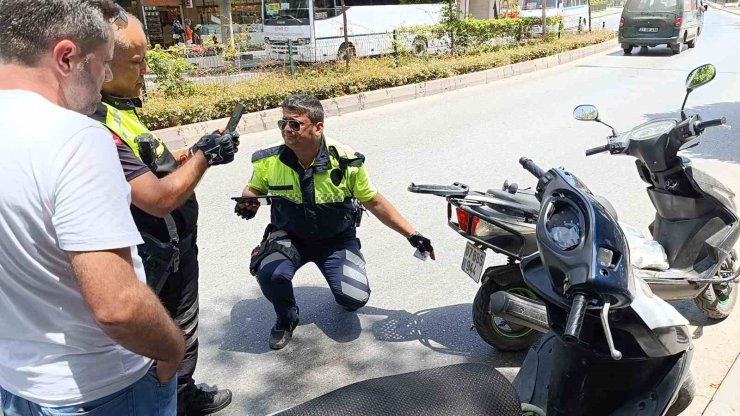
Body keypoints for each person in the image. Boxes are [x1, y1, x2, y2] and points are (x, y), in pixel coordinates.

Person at [0, 1, 185, 415]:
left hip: (16, 385)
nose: (105, 77)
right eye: (102, 63)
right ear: (67, 57)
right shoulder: (76, 138)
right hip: (103, 389)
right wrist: (173, 349)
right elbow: (118, 306)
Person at [90, 13, 236, 416]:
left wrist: (195, 151)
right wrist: (206, 157)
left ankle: (180, 392)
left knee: (182, 325)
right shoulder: (96, 124)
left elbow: (148, 166)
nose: (146, 70)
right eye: (136, 62)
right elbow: (156, 198)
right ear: (100, 64)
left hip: (172, 246)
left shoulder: (119, 108)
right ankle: (169, 401)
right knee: (168, 333)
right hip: (154, 253)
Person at [236, 94, 436, 350]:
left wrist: (412, 235)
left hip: (336, 241)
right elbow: (253, 189)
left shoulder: (347, 160)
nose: (287, 129)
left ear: (318, 127)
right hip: (289, 238)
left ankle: (342, 283)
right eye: (283, 123)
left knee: (355, 299)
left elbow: (374, 201)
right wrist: (248, 201)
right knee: (271, 274)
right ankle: (286, 317)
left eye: (295, 124)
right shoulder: (268, 159)